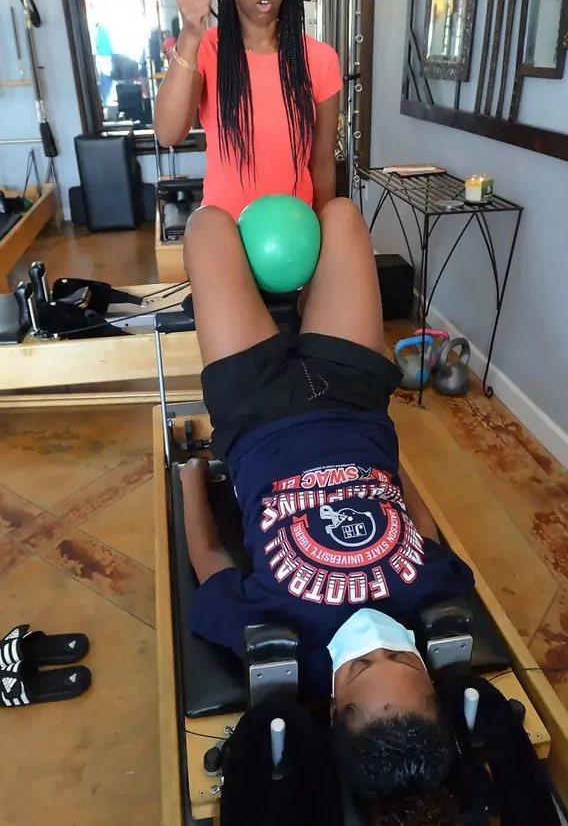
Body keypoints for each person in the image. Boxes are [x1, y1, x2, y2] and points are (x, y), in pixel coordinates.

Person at [178, 199, 476, 802]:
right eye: (401, 657)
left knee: (206, 227)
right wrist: (393, 469)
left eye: (362, 665)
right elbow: (423, 530)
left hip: (253, 408)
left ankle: (290, 310)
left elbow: (210, 558)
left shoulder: (276, 636)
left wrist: (189, 477)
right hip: (356, 398)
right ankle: (301, 303)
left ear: (335, 705)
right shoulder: (437, 595)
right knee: (341, 215)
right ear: (428, 675)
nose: (375, 640)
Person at [154, 0, 342, 219]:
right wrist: (190, 33)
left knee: (343, 215)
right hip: (223, 231)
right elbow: (168, 133)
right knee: (204, 222)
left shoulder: (321, 60)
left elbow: (322, 165)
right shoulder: (207, 49)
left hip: (295, 233)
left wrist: (324, 240)